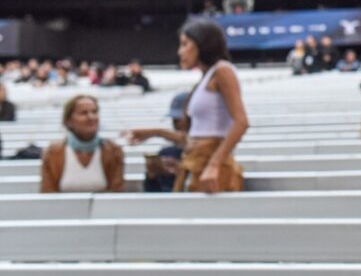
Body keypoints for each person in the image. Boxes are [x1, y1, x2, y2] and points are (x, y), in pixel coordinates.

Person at [128, 19, 248, 193]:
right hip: (195, 161)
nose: (180, 51)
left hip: (211, 165)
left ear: (202, 44)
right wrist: (154, 132)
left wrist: (214, 164)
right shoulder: (205, 77)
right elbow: (196, 137)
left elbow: (241, 122)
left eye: (185, 44)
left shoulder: (222, 70)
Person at [40, 94, 125, 194]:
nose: (91, 117)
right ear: (68, 121)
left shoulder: (114, 150)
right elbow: (48, 193)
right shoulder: (52, 152)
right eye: (83, 113)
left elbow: (116, 192)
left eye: (94, 112)